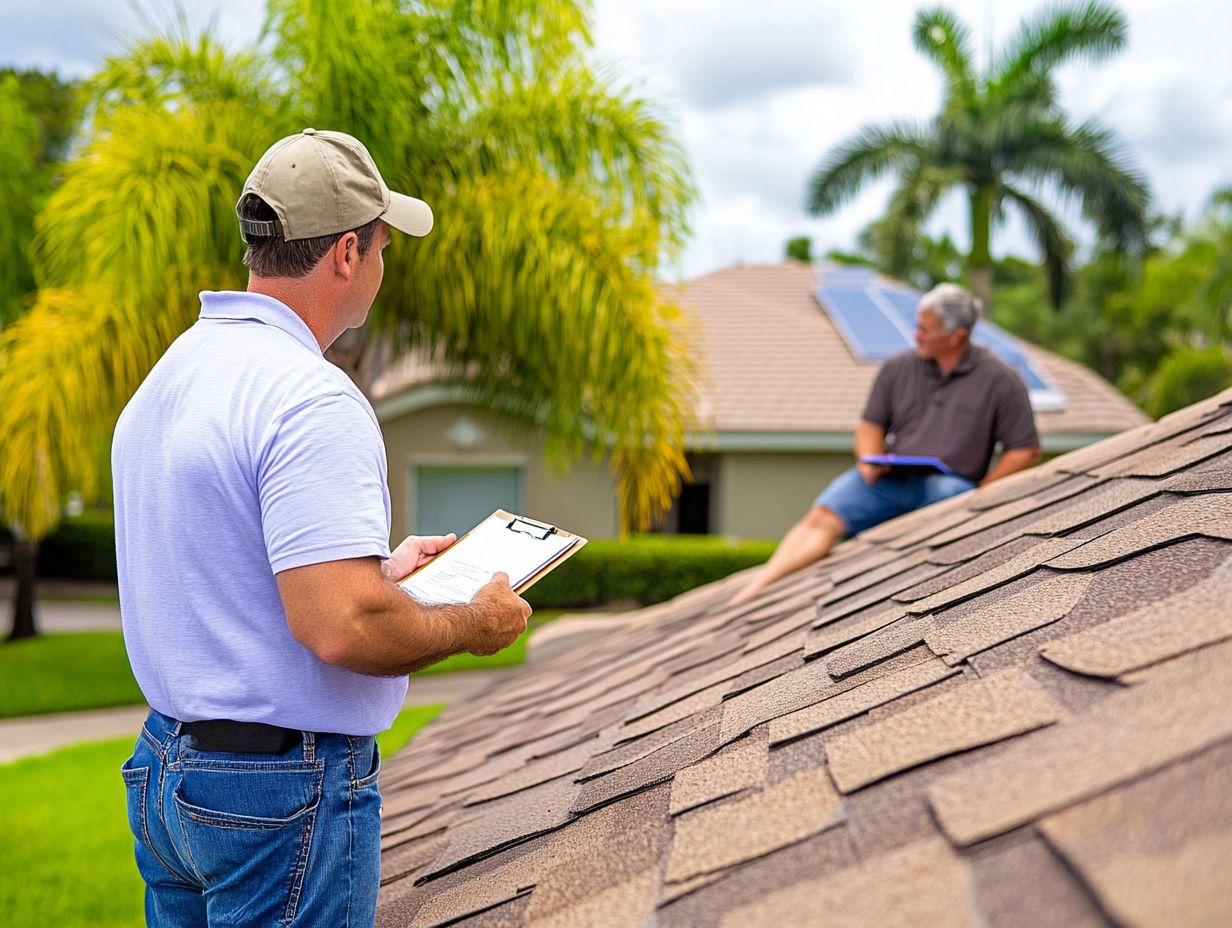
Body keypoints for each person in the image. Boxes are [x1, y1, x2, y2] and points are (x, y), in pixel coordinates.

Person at [113, 129, 532, 927]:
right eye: (381, 246)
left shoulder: (179, 370)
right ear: (347, 253)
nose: (382, 264)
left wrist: (379, 575)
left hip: (169, 772)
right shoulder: (312, 397)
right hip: (276, 796)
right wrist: (479, 623)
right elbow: (342, 629)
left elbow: (225, 568)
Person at [731, 283, 1040, 606]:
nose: (915, 334)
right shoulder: (898, 368)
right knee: (823, 514)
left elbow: (1024, 450)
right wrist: (868, 458)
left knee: (946, 522)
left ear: (956, 336)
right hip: (888, 478)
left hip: (947, 487)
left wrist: (983, 494)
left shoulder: (1000, 379)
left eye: (924, 329)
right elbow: (870, 425)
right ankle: (756, 590)